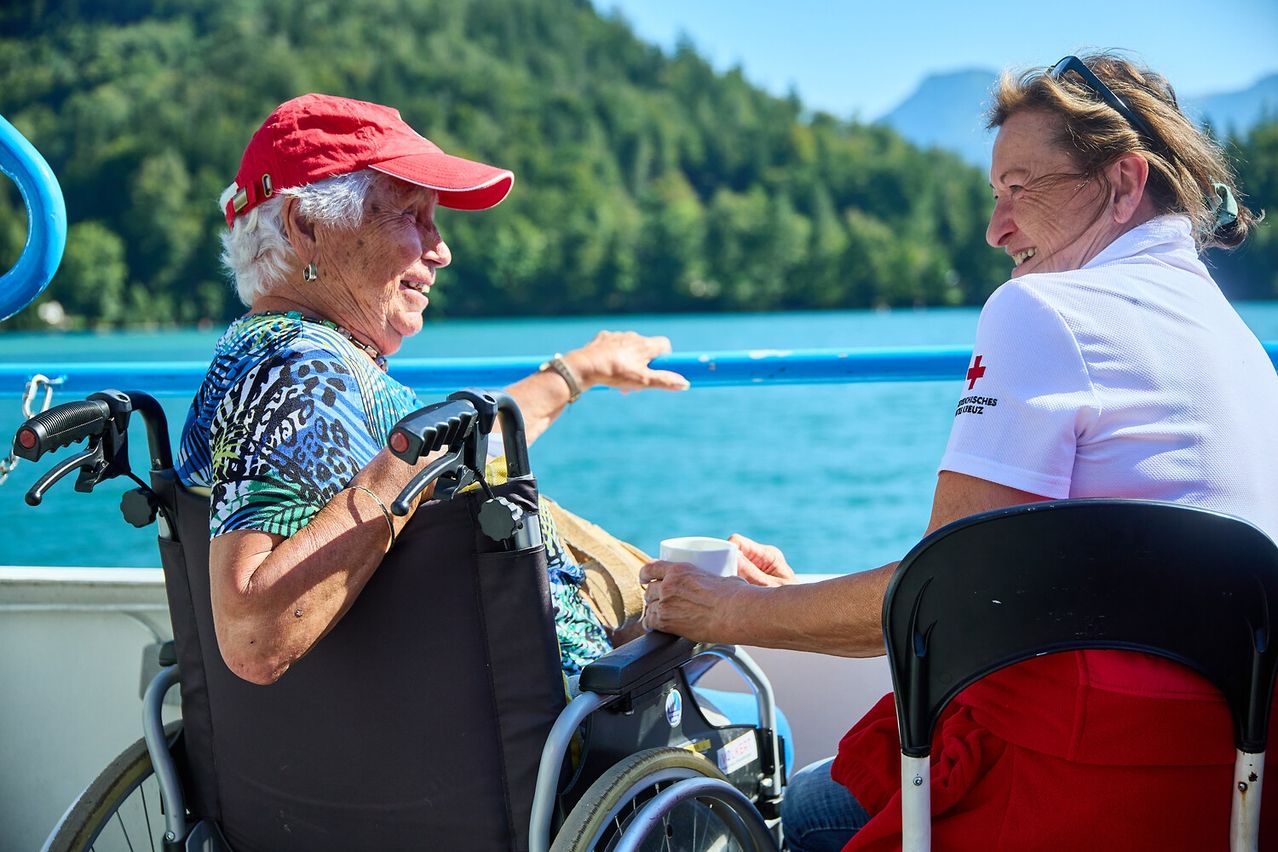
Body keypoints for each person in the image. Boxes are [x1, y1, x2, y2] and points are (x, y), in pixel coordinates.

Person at [641, 52, 1278, 850]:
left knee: (799, 811)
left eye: (1020, 189)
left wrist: (731, 611)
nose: (995, 228)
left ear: (1122, 182)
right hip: (1234, 782)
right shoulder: (1237, 341)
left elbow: (946, 603)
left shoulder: (1042, 309)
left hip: (1080, 784)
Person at [175, 93, 688, 686]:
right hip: (568, 733)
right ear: (307, 226)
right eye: (411, 217)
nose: (441, 249)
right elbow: (254, 637)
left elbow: (461, 447)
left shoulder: (280, 356)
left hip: (435, 735)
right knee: (761, 713)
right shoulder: (298, 373)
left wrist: (577, 371)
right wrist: (405, 465)